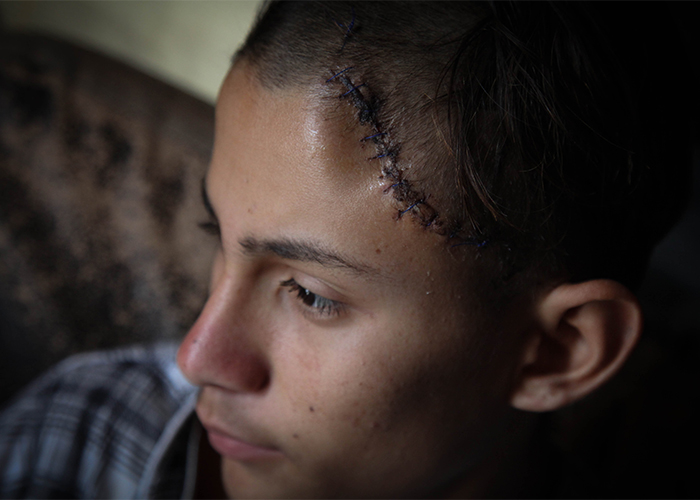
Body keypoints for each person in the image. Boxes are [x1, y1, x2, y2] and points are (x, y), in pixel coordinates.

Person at [0, 1, 693, 498]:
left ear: (557, 351)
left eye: (311, 295)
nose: (199, 358)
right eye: (218, 238)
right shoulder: (83, 434)